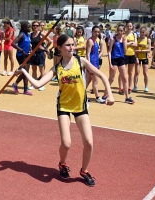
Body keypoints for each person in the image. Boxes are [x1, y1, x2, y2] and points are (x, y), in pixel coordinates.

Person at [14, 34, 114, 187]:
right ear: (59, 48)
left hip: (81, 106)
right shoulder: (57, 69)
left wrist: (110, 94)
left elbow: (103, 76)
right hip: (64, 107)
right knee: (66, 143)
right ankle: (62, 164)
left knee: (89, 143)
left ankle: (84, 171)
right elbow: (38, 83)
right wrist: (24, 72)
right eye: (67, 45)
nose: (71, 48)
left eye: (73, 44)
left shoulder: (81, 61)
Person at [106, 24, 134, 104]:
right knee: (111, 78)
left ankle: (127, 97)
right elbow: (109, 51)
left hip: (122, 59)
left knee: (125, 78)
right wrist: (110, 63)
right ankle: (105, 95)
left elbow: (125, 51)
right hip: (114, 59)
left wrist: (125, 42)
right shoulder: (113, 39)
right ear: (117, 31)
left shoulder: (124, 39)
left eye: (121, 31)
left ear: (123, 31)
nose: (120, 32)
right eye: (118, 30)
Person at [28, 21, 52, 91]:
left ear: (39, 26)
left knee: (41, 69)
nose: (35, 27)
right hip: (33, 54)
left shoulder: (41, 34)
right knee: (33, 69)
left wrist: (45, 48)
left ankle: (42, 84)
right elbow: (30, 44)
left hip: (40, 53)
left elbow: (50, 41)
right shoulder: (31, 34)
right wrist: (30, 49)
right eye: (34, 25)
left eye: (37, 25)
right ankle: (34, 84)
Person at [11, 21, 33, 96]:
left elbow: (28, 44)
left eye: (29, 26)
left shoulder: (28, 35)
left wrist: (30, 49)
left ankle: (25, 89)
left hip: (27, 55)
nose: (29, 28)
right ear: (24, 28)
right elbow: (13, 43)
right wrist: (21, 50)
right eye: (28, 27)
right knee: (25, 72)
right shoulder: (22, 35)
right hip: (21, 55)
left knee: (26, 72)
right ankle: (15, 84)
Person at [86, 25, 106, 104]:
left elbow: (98, 52)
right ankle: (97, 97)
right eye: (95, 32)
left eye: (98, 32)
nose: (97, 33)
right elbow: (87, 54)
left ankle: (82, 96)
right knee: (95, 81)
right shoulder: (90, 41)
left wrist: (98, 57)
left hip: (95, 62)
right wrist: (89, 66)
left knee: (88, 81)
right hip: (92, 63)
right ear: (92, 32)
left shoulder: (97, 40)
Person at [134, 26, 151, 92]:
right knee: (137, 72)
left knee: (145, 73)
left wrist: (140, 51)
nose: (142, 33)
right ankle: (135, 86)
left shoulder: (148, 40)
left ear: (145, 32)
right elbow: (135, 50)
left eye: (143, 32)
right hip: (138, 57)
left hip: (145, 58)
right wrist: (136, 58)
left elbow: (149, 50)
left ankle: (146, 86)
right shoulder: (137, 39)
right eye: (141, 32)